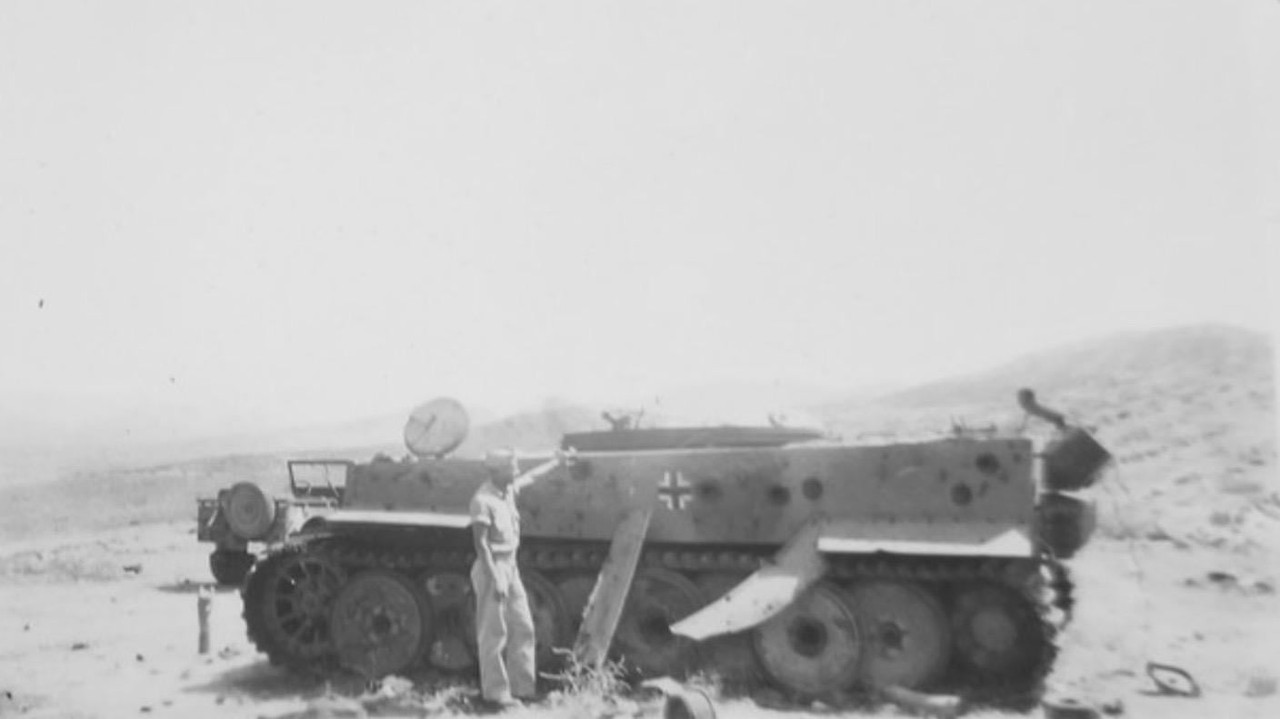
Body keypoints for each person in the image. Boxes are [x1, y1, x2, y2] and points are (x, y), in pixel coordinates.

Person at [469, 447, 565, 707]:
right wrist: (496, 579)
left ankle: (522, 689)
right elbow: (482, 545)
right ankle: (496, 695)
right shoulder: (483, 500)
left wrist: (556, 462)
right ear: (497, 471)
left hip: (510, 566)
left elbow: (530, 478)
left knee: (523, 627)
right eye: (512, 467)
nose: (517, 471)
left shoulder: (507, 491)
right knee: (493, 634)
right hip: (493, 568)